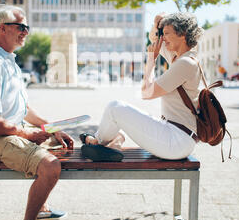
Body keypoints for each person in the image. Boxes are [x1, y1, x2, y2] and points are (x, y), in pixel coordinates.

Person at [0, 5, 74, 220]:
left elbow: (24, 110)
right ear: (2, 29)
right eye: (21, 26)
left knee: (60, 144)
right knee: (51, 166)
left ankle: (42, 208)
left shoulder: (9, 61)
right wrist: (27, 135)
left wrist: (53, 129)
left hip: (7, 132)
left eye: (27, 27)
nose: (26, 31)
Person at [80, 12, 203, 161]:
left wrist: (151, 60)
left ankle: (95, 142)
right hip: (177, 137)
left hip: (175, 141)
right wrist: (156, 24)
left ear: (182, 34)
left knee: (115, 108)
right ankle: (115, 144)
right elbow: (154, 39)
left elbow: (147, 93)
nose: (163, 38)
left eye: (166, 34)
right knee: (121, 123)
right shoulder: (180, 57)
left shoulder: (185, 63)